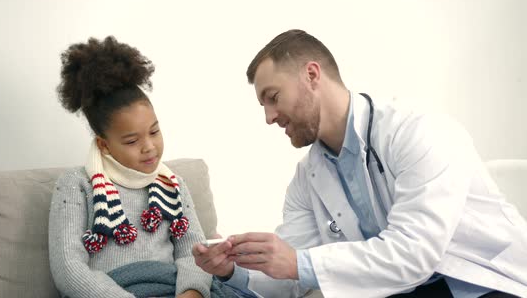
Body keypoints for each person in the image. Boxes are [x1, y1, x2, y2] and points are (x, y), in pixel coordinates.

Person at [192, 29, 527, 298]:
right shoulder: (307, 178)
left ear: (311, 75)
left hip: (485, 283)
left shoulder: (418, 131)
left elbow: (414, 254)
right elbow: (291, 276)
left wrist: (298, 262)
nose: (268, 117)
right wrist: (231, 270)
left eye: (273, 97)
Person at [48, 36, 234, 298]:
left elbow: (193, 251)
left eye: (154, 131)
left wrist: (191, 293)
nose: (149, 147)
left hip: (174, 290)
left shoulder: (173, 185)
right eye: (132, 141)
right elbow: (69, 269)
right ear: (104, 145)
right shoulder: (77, 185)